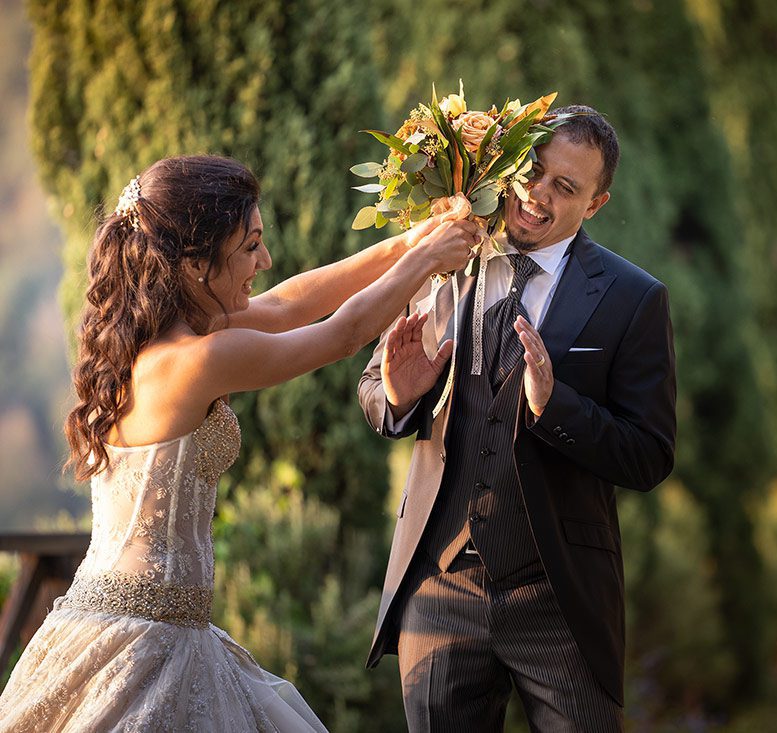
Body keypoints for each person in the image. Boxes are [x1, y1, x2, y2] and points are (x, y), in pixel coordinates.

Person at [0, 154, 480, 732]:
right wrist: (428, 259)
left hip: (155, 628)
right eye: (250, 246)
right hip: (140, 647)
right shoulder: (195, 360)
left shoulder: (161, 338)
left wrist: (410, 242)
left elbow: (287, 304)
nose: (266, 260)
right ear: (195, 262)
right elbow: (343, 334)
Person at [358, 106, 677, 731]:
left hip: (560, 599)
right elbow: (375, 389)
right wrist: (397, 396)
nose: (537, 194)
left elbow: (649, 455)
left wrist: (555, 407)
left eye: (565, 187)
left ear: (596, 204)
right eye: (532, 171)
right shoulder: (444, 258)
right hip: (440, 588)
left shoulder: (633, 298)